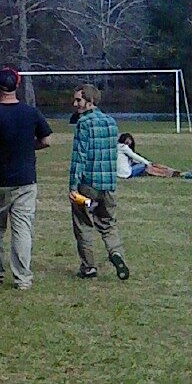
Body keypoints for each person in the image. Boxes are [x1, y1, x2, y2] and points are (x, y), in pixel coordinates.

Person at [0, 67, 53, 290]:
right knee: (22, 229)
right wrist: (28, 146)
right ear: (17, 86)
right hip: (26, 180)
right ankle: (23, 278)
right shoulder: (31, 112)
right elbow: (46, 141)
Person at [69, 84, 129, 281]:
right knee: (108, 224)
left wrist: (72, 186)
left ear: (90, 100)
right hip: (109, 184)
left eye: (78, 100)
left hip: (88, 185)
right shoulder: (111, 122)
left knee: (84, 224)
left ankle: (88, 267)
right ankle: (116, 254)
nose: (75, 103)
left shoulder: (84, 124)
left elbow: (79, 157)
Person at [117, 133, 187, 178]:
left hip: (121, 172)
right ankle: (171, 173)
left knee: (151, 165)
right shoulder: (124, 147)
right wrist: (147, 163)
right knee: (147, 166)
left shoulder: (117, 148)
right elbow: (135, 157)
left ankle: (173, 172)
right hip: (126, 173)